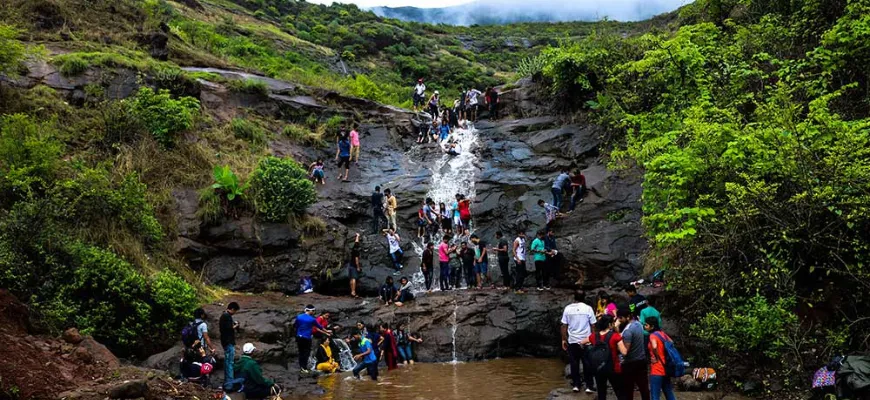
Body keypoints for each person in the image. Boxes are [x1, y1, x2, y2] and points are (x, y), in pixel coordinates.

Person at [579, 316, 627, 400]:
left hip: (599, 368)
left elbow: (582, 342)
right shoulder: (615, 336)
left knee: (601, 393)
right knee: (620, 393)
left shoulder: (594, 336)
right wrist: (617, 331)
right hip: (613, 368)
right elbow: (624, 352)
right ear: (610, 324)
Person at [561, 291, 597, 393]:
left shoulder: (568, 309)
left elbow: (564, 326)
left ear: (574, 298)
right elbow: (593, 325)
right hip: (586, 340)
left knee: (574, 363)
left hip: (572, 340)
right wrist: (593, 339)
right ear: (584, 298)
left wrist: (564, 339)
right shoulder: (588, 308)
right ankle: (589, 386)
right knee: (587, 364)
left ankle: (576, 385)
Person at [617, 307, 651, 400]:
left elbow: (625, 351)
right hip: (641, 360)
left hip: (630, 363)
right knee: (644, 387)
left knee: (628, 389)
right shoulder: (638, 324)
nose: (619, 320)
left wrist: (618, 342)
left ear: (627, 317)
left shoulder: (628, 331)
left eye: (620, 318)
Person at [646, 318, 677, 400]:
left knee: (655, 396)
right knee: (669, 393)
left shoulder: (652, 335)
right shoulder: (662, 334)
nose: (644, 326)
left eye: (646, 325)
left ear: (652, 327)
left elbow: (654, 346)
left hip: (656, 369)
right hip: (665, 368)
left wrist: (656, 357)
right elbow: (671, 342)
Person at [295, 305, 331, 373]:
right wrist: (327, 331)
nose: (314, 312)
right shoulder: (312, 319)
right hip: (306, 337)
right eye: (313, 311)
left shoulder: (299, 317)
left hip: (299, 336)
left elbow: (296, 326)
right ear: (310, 311)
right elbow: (319, 327)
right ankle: (304, 368)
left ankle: (301, 367)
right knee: (306, 353)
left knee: (301, 352)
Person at [220, 302, 241, 390]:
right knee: (230, 363)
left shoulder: (224, 315)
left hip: (225, 342)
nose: (234, 313)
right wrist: (236, 325)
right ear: (232, 309)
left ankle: (227, 383)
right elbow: (229, 328)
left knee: (227, 362)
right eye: (235, 311)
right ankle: (229, 385)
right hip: (228, 342)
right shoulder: (227, 316)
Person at [348, 233, 362, 298]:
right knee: (354, 279)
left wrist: (357, 236)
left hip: (350, 265)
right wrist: (358, 267)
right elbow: (356, 260)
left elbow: (356, 243)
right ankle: (353, 291)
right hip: (354, 266)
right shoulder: (356, 251)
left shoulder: (354, 248)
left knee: (351, 279)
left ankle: (352, 291)